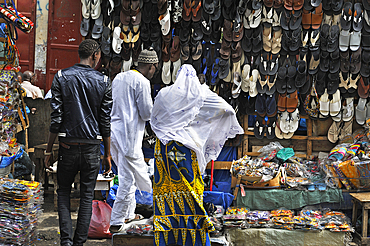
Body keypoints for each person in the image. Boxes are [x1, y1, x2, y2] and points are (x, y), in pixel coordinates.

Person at [150, 64, 244, 246]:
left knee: (166, 193)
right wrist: (198, 126)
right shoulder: (200, 95)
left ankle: (168, 240)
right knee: (190, 194)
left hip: (163, 150)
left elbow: (154, 121)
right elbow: (228, 110)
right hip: (186, 152)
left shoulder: (164, 94)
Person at [43, 39, 112, 246]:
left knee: (63, 192)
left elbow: (56, 119)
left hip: (67, 146)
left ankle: (66, 242)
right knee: (86, 196)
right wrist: (106, 154)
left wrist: (48, 150)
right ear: (95, 56)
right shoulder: (104, 81)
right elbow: (105, 122)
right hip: (91, 147)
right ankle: (79, 243)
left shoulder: (62, 77)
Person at [109, 48, 159, 233]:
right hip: (129, 136)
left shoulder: (119, 77)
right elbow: (147, 112)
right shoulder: (142, 82)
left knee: (126, 176)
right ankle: (116, 221)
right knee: (130, 178)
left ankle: (127, 215)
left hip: (114, 133)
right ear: (151, 67)